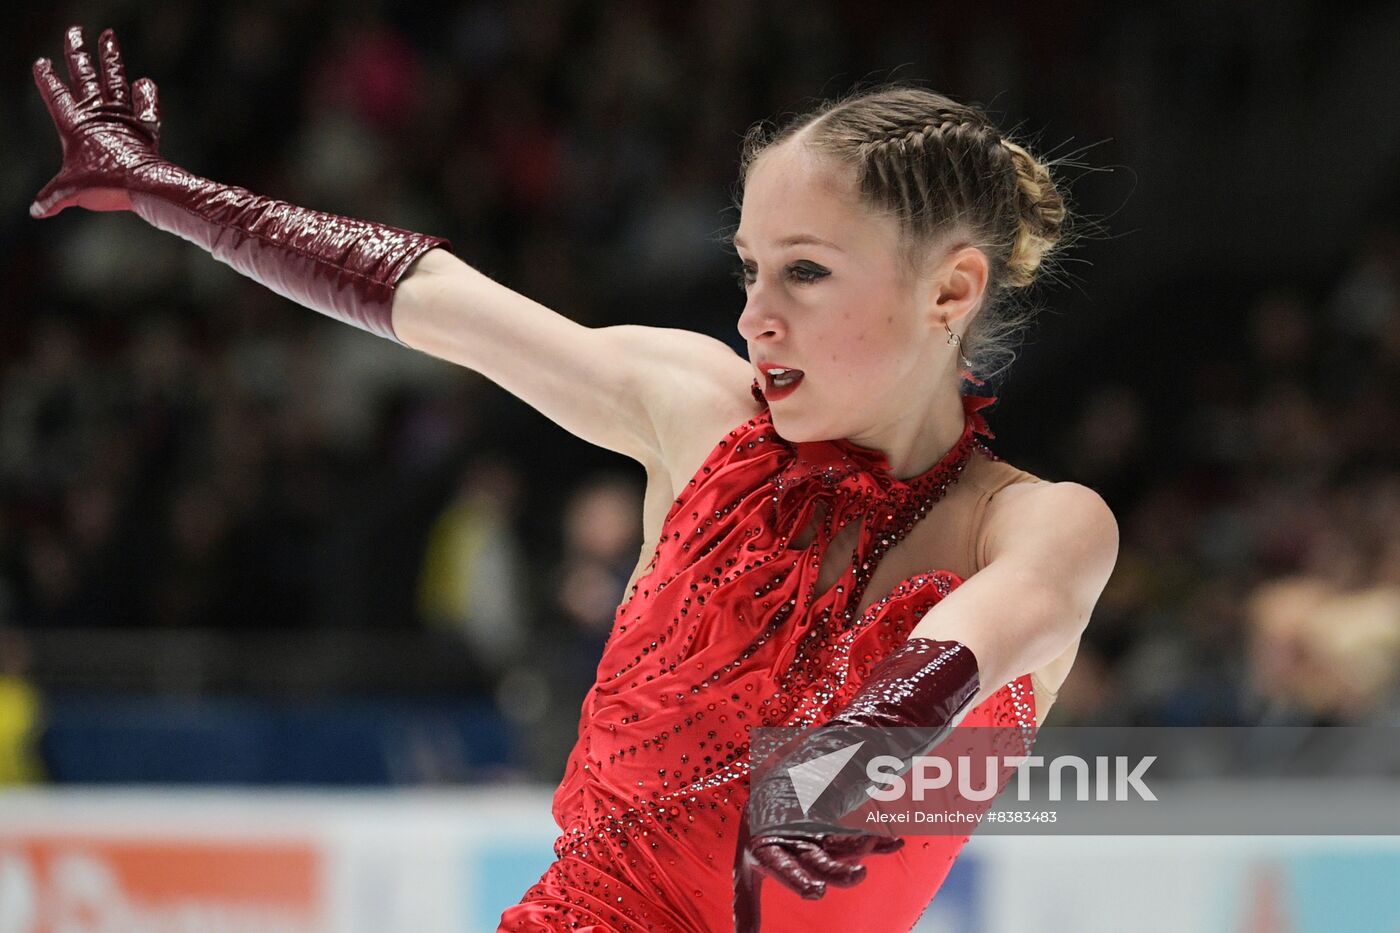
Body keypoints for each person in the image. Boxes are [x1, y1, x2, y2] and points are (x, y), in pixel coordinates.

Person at [29, 25, 1119, 932]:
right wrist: (166, 192)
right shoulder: (699, 413)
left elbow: (969, 642)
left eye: (805, 272)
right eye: (748, 267)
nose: (754, 315)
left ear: (950, 290)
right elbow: (431, 297)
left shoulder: (1032, 526)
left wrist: (838, 768)